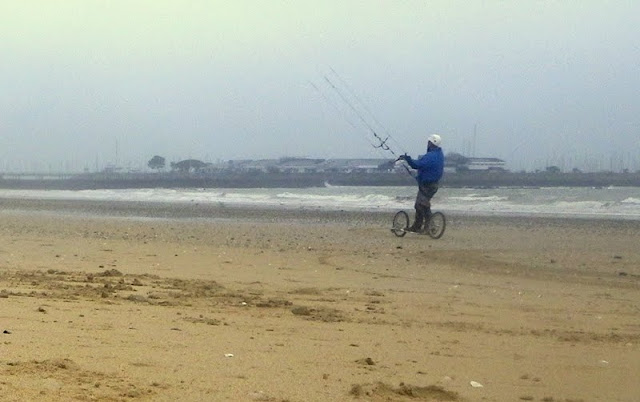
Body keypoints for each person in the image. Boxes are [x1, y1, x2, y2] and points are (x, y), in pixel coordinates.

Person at [398, 134, 445, 232]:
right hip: (430, 184)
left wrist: (408, 159)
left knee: (420, 205)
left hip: (428, 185)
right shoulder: (438, 154)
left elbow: (417, 165)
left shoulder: (431, 156)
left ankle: (426, 226)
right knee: (421, 204)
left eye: (428, 142)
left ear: (430, 143)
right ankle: (419, 226)